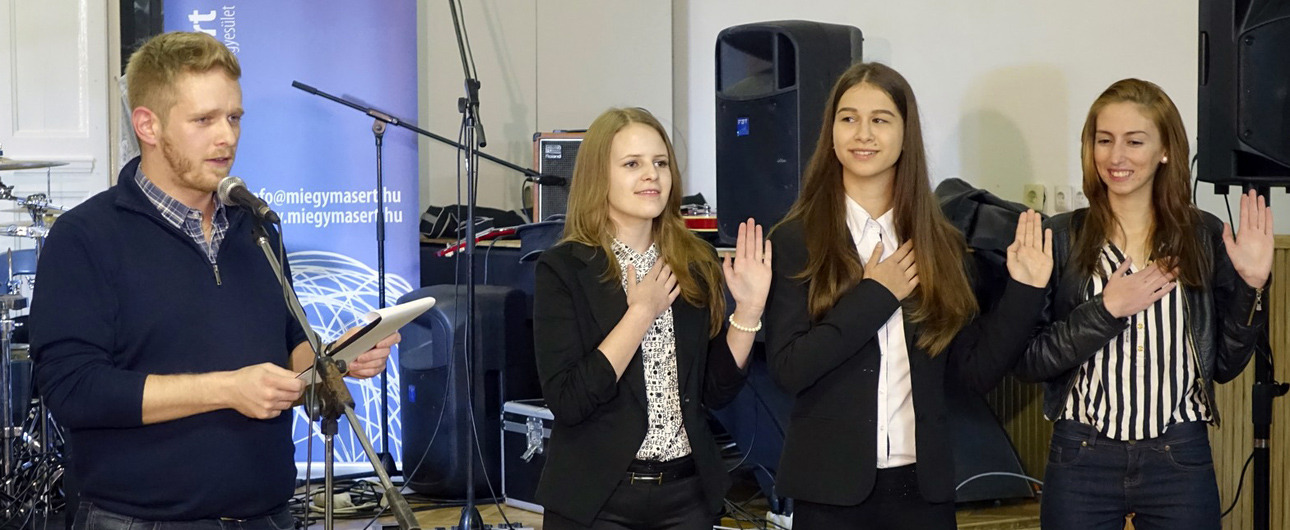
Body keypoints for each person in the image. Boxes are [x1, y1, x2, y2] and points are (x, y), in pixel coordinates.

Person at [29, 31, 397, 528]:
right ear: (148, 125)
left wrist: (336, 359)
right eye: (204, 120)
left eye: (234, 117)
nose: (226, 136)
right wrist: (226, 389)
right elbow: (75, 391)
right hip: (141, 520)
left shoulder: (256, 227)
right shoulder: (85, 237)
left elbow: (290, 345)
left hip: (268, 516)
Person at [764, 62, 1053, 529]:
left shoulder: (941, 244)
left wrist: (1025, 290)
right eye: (848, 118)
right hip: (828, 492)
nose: (863, 133)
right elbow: (789, 368)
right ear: (831, 133)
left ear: (905, 134)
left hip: (922, 491)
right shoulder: (796, 239)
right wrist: (877, 295)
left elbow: (972, 374)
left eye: (880, 119)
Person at [1013, 78, 1272, 530]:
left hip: (1180, 457)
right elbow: (1029, 361)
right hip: (1080, 456)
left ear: (1165, 150)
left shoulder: (1204, 237)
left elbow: (1225, 366)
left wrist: (1251, 286)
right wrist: (1106, 310)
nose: (1116, 157)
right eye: (1104, 140)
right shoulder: (1060, 237)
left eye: (1134, 142)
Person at [532, 107, 771, 530]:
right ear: (598, 177)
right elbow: (568, 400)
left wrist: (748, 311)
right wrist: (641, 313)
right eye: (632, 164)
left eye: (660, 163)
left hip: (686, 496)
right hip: (596, 499)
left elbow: (713, 391)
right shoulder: (564, 268)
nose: (652, 175)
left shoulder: (694, 261)